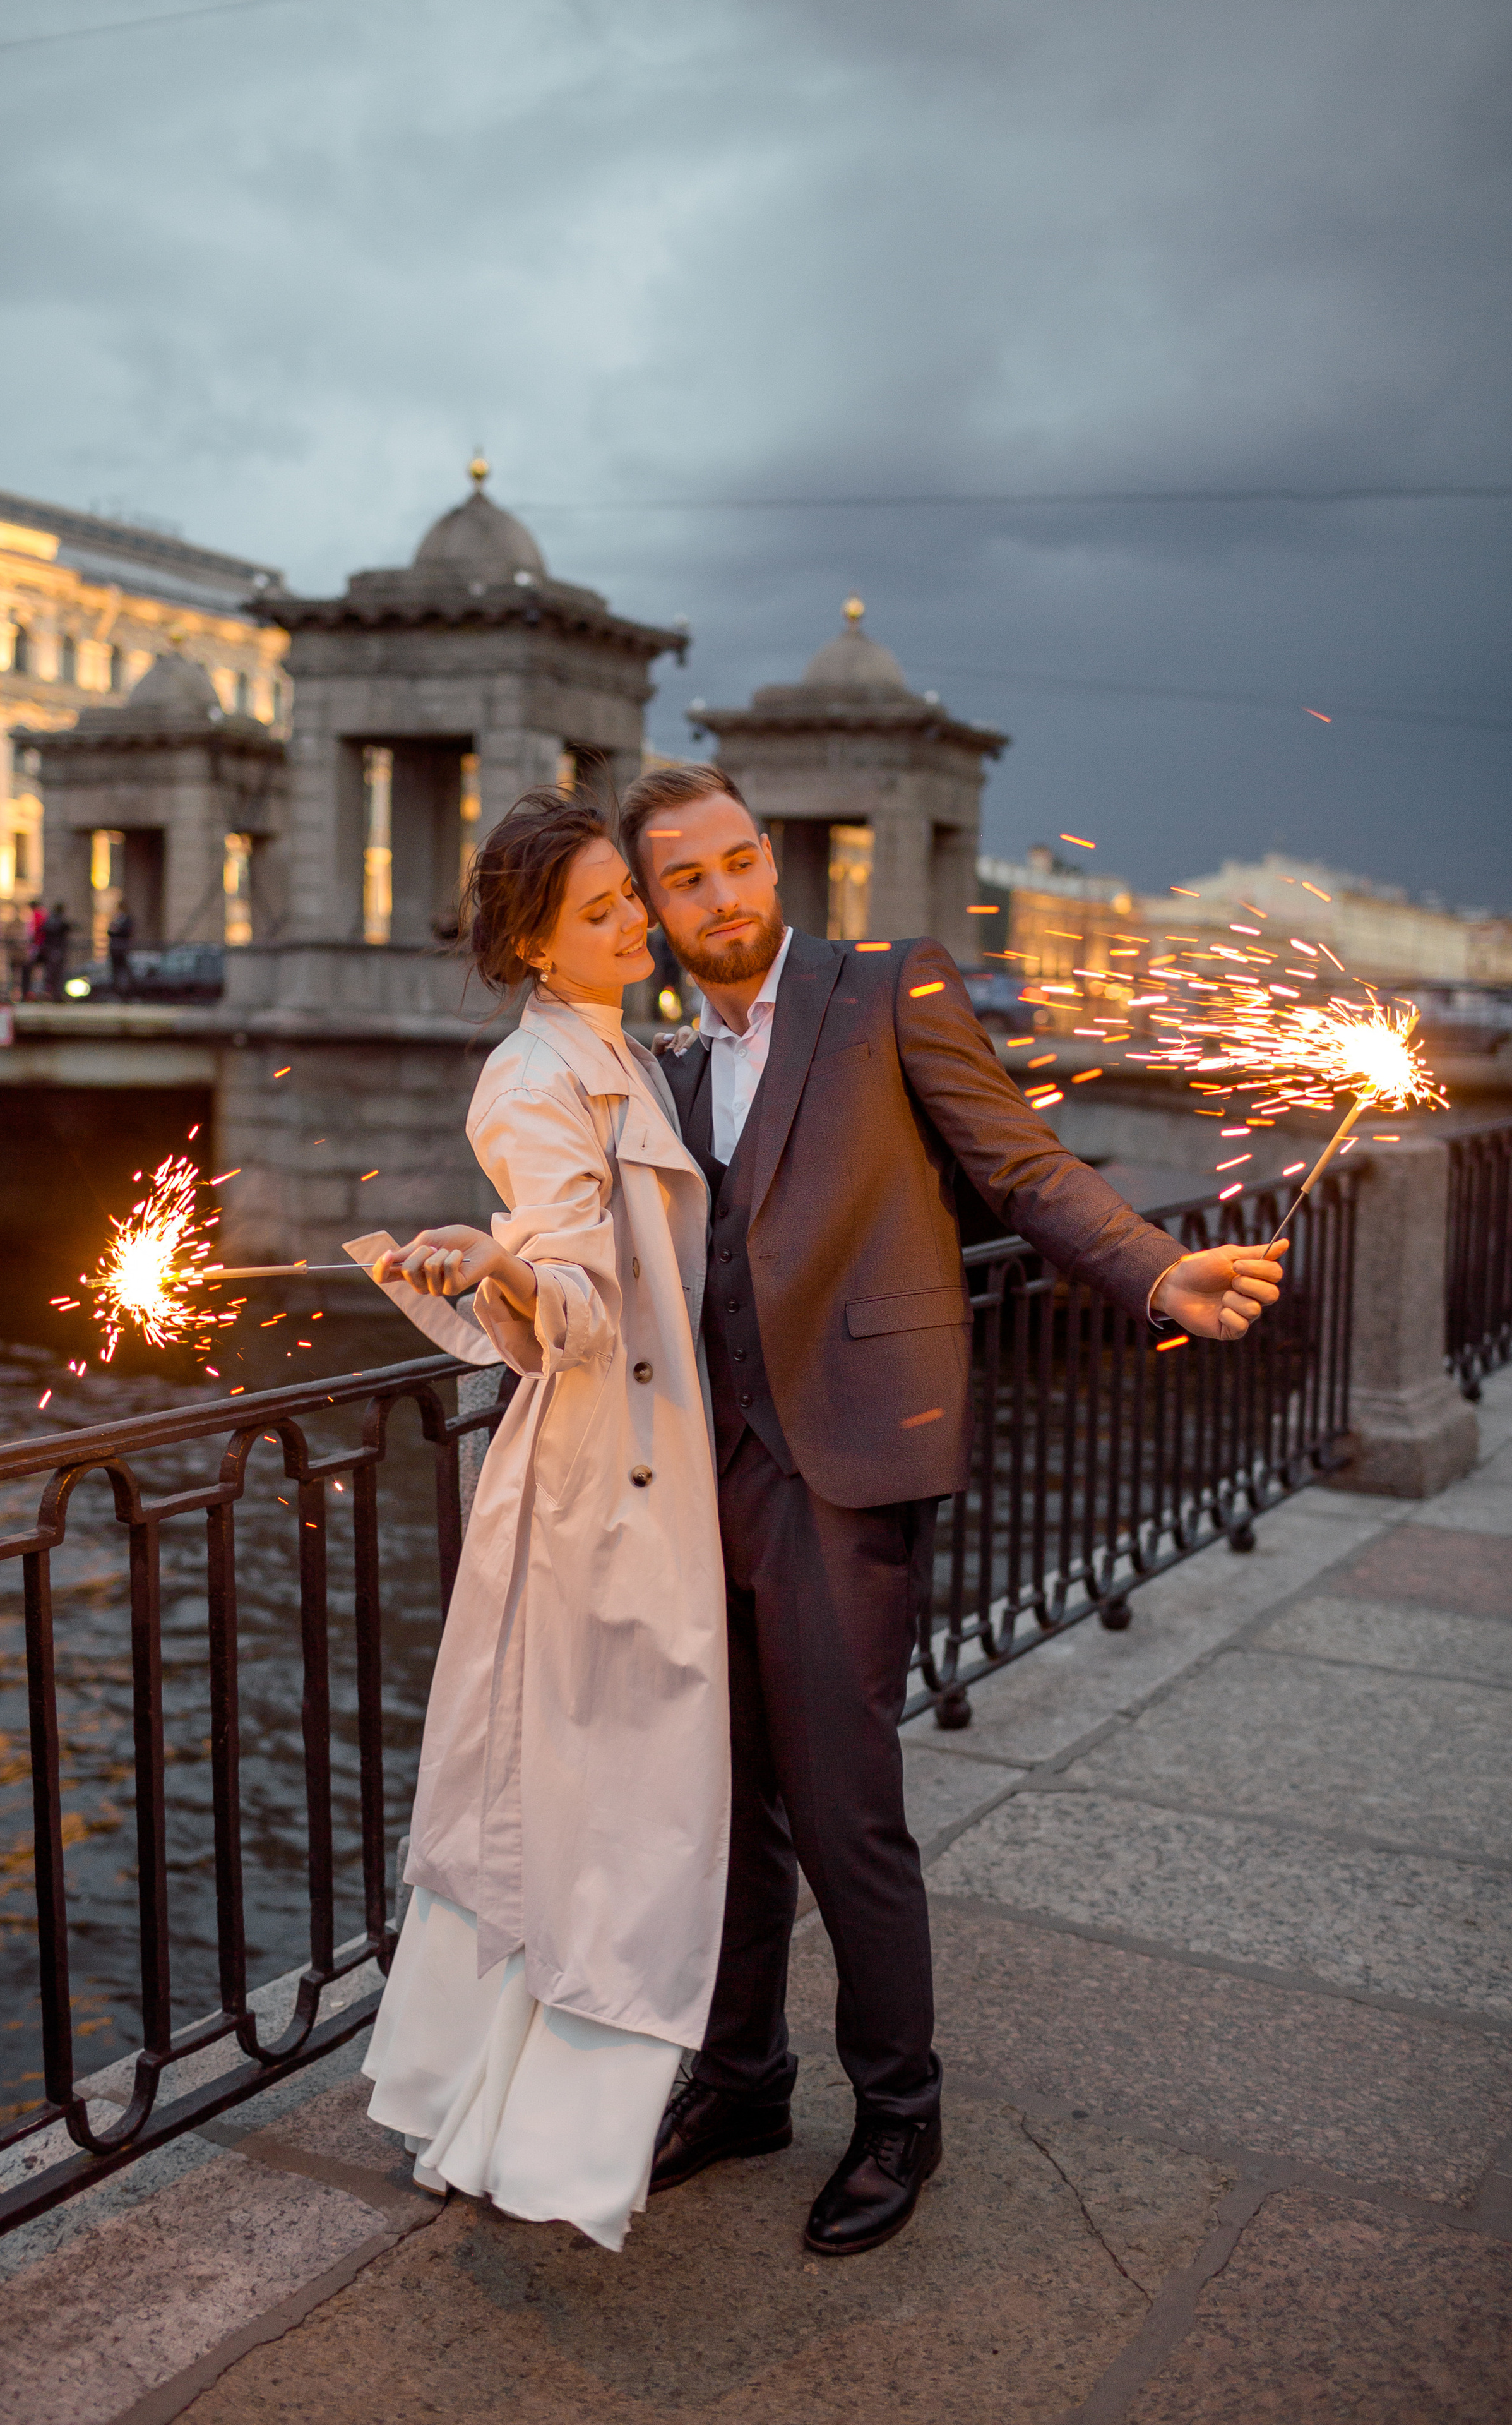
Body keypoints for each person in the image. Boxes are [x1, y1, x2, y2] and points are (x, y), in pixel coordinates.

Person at [620, 763, 1289, 2258]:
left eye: (736, 861)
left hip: (843, 1461)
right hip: (698, 1473)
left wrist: (1151, 1269)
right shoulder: (664, 1061)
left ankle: (897, 2109)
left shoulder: (885, 986)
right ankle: (739, 2081)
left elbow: (1018, 1162)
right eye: (686, 878)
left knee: (840, 1801)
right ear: (654, 906)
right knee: (722, 1804)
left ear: (769, 860)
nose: (721, 895)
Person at [357, 786, 729, 2253]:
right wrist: (508, 1272)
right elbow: (575, 1300)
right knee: (609, 1820)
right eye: (602, 909)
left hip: (634, 1462)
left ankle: (500, 2122)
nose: (638, 920)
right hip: (604, 1485)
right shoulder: (530, 1077)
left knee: (590, 1814)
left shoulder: (615, 1046)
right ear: (530, 941)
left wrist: (509, 1266)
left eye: (629, 896)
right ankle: (537, 2142)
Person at [41, 901, 70, 1000]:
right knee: (54, 973)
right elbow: (46, 928)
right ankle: (52, 995)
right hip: (54, 949)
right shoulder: (54, 920)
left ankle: (56, 994)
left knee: (56, 973)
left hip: (54, 949)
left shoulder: (54, 919)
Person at [107, 899, 134, 997]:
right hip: (114, 949)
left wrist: (118, 930)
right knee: (115, 970)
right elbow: (109, 932)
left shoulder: (127, 919)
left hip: (122, 949)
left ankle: (125, 992)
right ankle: (116, 991)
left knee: (123, 970)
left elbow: (127, 932)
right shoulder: (116, 919)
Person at [21, 899, 45, 1001]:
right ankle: (38, 991)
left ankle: (29, 993)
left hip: (37, 947)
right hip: (41, 946)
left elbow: (33, 932)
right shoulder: (44, 914)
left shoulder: (37, 915)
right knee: (39, 971)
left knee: (30, 970)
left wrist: (31, 945)